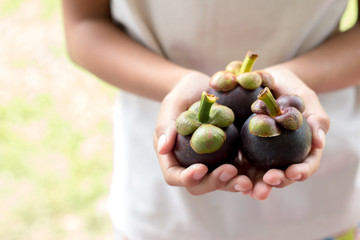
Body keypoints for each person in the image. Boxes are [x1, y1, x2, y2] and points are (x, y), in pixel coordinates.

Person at [61, 0, 360, 239]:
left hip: (322, 204)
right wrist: (176, 83)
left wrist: (294, 79)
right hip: (159, 207)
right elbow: (84, 25)